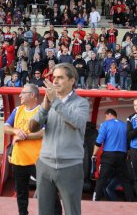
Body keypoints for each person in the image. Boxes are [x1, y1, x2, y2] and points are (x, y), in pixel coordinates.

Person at [29, 63, 90, 215]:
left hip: (70, 166)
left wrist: (55, 102)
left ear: (72, 80)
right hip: (45, 165)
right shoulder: (48, 103)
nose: (55, 81)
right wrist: (45, 105)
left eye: (60, 78)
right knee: (45, 211)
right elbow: (32, 127)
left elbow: (76, 122)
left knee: (72, 211)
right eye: (54, 77)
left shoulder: (81, 103)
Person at [3, 84, 44, 215]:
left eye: (23, 93)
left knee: (47, 191)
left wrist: (24, 137)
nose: (20, 95)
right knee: (21, 193)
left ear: (32, 95)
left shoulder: (42, 111)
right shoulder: (17, 110)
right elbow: (6, 127)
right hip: (19, 159)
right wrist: (15, 130)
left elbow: (44, 132)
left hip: (37, 160)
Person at [92, 109, 133, 201]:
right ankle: (131, 201)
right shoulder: (124, 125)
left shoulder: (105, 124)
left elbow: (99, 141)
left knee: (101, 179)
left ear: (109, 114)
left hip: (108, 156)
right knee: (125, 181)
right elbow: (129, 142)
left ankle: (95, 200)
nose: (105, 118)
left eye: (105, 116)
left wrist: (94, 154)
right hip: (122, 156)